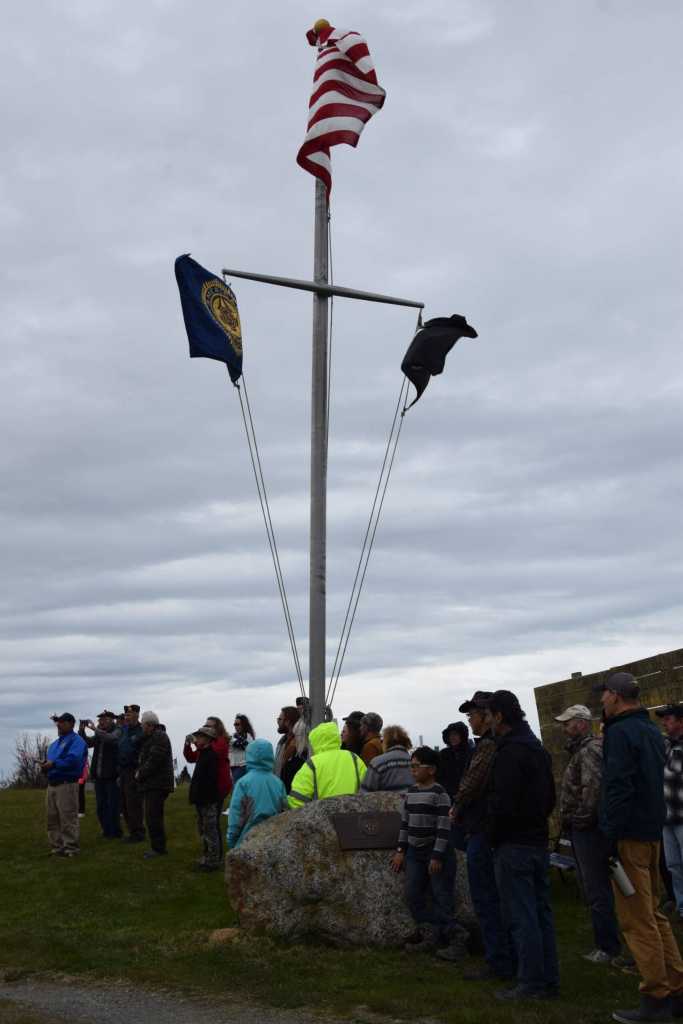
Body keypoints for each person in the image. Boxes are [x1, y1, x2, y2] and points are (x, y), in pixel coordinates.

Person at [597, 672, 683, 1023]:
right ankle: (677, 987)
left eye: (603, 695)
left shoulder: (619, 732)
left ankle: (655, 996)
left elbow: (618, 786)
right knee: (654, 913)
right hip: (652, 832)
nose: (601, 701)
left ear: (615, 696)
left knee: (636, 920)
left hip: (629, 835)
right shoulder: (650, 729)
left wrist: (609, 837)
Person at [486, 690, 559, 1001]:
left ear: (500, 716)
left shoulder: (509, 753)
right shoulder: (537, 749)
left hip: (513, 843)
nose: (487, 722)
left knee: (522, 916)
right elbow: (549, 798)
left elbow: (502, 803)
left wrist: (494, 836)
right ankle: (548, 980)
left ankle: (531, 983)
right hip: (537, 841)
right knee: (541, 913)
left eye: (489, 715)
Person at [451, 691, 514, 982]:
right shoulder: (496, 745)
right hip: (487, 829)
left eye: (473, 715)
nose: (471, 720)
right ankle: (504, 956)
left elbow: (471, 784)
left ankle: (499, 960)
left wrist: (457, 806)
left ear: (488, 715)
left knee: (487, 898)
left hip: (482, 830)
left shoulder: (488, 747)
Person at [555, 702, 621, 965]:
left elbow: (593, 791)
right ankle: (609, 941)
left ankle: (607, 946)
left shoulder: (589, 750)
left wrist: (579, 821)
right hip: (587, 829)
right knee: (595, 888)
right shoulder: (583, 750)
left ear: (582, 723)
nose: (564, 728)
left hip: (589, 831)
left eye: (568, 723)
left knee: (596, 889)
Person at [391, 746, 466, 961]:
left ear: (431, 769)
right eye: (411, 766)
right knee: (413, 895)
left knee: (442, 896)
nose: (412, 770)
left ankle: (456, 936)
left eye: (416, 766)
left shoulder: (440, 793)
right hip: (414, 853)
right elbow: (405, 824)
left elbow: (444, 827)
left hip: (436, 853)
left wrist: (437, 856)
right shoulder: (411, 793)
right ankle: (431, 932)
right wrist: (400, 851)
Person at [184, 715, 231, 858]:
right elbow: (191, 757)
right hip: (206, 788)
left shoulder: (221, 742)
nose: (206, 728)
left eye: (210, 726)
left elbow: (214, 752)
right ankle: (209, 852)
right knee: (205, 823)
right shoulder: (204, 748)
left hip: (217, 787)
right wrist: (187, 744)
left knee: (212, 823)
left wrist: (196, 743)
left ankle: (215, 855)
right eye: (205, 725)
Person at [288, 721, 367, 808]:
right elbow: (367, 789)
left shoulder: (312, 764)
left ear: (315, 741)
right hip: (354, 817)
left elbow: (296, 800)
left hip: (321, 819)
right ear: (336, 737)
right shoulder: (354, 758)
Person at [227, 739, 288, 850]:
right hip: (273, 839)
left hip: (247, 841)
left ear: (249, 756)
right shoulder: (279, 783)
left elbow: (236, 815)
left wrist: (232, 841)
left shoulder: (243, 783)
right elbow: (284, 811)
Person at [41, 713, 87, 858]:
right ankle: (57, 847)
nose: (58, 725)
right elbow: (50, 762)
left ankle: (71, 848)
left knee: (68, 817)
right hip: (52, 784)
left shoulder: (77, 741)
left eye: (62, 722)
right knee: (52, 818)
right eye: (58, 722)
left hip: (67, 784)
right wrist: (45, 767)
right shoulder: (54, 744)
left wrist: (53, 764)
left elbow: (73, 760)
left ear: (71, 724)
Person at [656, 705, 683, 921]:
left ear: (680, 721)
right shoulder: (666, 745)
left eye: (668, 719)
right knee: (673, 865)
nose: (664, 723)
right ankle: (682, 907)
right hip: (667, 818)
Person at [135, 710, 174, 859]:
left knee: (153, 817)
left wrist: (140, 773)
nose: (142, 728)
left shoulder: (159, 737)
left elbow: (154, 760)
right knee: (152, 816)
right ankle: (158, 847)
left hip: (157, 784)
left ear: (150, 725)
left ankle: (158, 848)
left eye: (143, 725)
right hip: (154, 783)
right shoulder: (152, 736)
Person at [79, 710, 122, 839]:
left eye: (103, 719)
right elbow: (87, 743)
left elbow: (110, 739)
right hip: (99, 776)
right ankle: (106, 830)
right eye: (99, 720)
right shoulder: (99, 733)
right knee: (101, 807)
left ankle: (115, 832)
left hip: (112, 776)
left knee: (113, 806)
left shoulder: (118, 730)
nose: (100, 722)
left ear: (111, 720)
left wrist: (94, 728)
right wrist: (82, 731)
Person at [187, 725, 222, 871]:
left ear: (207, 739)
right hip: (201, 800)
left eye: (199, 736)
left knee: (210, 831)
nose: (197, 739)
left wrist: (202, 797)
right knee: (203, 829)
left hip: (207, 800)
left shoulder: (211, 756)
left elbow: (209, 781)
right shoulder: (203, 754)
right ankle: (207, 857)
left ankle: (212, 861)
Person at [118, 703, 145, 843]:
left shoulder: (141, 730)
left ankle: (138, 832)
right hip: (122, 770)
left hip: (133, 770)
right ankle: (131, 831)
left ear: (136, 714)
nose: (127, 717)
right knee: (124, 803)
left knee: (133, 803)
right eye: (126, 714)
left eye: (129, 714)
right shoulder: (124, 730)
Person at [361, 725, 413, 792]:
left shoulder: (377, 762)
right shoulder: (413, 762)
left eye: (382, 740)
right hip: (411, 801)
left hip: (386, 802)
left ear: (386, 741)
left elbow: (365, 792)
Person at [274, 706, 306, 794]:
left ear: (287, 722)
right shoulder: (283, 741)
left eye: (280, 719)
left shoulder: (297, 746)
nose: (277, 721)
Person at [438, 722, 472, 800]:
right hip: (446, 796)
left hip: (467, 797)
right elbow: (439, 776)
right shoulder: (443, 754)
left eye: (455, 734)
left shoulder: (471, 753)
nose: (452, 737)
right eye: (450, 735)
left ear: (463, 735)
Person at [230, 714, 254, 786]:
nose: (235, 726)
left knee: (238, 788)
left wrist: (234, 740)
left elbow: (244, 745)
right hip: (233, 767)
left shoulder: (248, 736)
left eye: (237, 724)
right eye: (234, 724)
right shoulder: (233, 736)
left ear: (243, 725)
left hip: (243, 766)